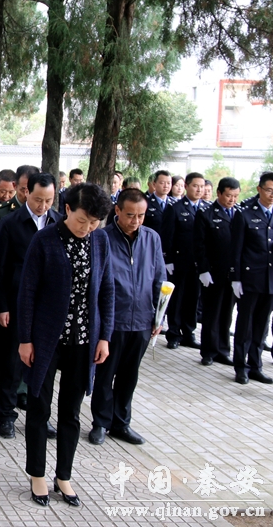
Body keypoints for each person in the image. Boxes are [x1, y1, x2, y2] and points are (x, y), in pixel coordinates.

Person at [18, 182, 114, 507]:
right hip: (46, 339)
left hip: (83, 339)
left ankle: (64, 475)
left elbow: (107, 289)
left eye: (94, 223)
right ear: (68, 209)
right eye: (82, 220)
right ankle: (37, 473)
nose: (87, 228)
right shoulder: (45, 240)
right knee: (39, 407)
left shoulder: (100, 240)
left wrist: (104, 337)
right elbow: (27, 292)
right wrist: (25, 340)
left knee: (71, 412)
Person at [89, 189, 165, 446]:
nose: (136, 221)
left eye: (141, 216)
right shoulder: (102, 237)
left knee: (129, 375)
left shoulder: (152, 239)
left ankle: (121, 423)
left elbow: (159, 278)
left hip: (142, 319)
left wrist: (159, 316)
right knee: (105, 373)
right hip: (112, 319)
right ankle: (100, 422)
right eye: (130, 215)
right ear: (117, 211)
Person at [0, 173, 61, 440]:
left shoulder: (58, 223)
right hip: (16, 303)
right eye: (38, 199)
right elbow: (0, 267)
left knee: (43, 364)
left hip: (47, 307)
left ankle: (39, 416)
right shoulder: (11, 223)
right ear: (26, 193)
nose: (43, 206)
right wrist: (2, 306)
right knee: (10, 361)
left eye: (49, 200)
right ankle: (7, 414)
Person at [229, 172, 273, 385]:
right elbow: (236, 249)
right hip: (251, 277)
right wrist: (236, 277)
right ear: (259, 189)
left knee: (262, 324)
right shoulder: (244, 214)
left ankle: (255, 366)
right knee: (245, 324)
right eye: (269, 190)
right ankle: (240, 367)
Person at [195, 177, 239, 366]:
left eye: (235, 196)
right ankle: (209, 351)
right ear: (219, 193)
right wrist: (203, 270)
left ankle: (223, 349)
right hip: (213, 272)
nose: (232, 200)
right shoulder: (206, 214)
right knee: (212, 313)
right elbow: (199, 245)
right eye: (228, 195)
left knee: (227, 314)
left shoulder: (238, 213)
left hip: (232, 274)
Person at [161, 172, 206, 349]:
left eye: (201, 187)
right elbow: (167, 236)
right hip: (179, 262)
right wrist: (168, 259)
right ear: (186, 186)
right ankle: (173, 333)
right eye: (195, 186)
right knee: (177, 299)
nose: (199, 190)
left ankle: (189, 333)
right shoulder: (175, 208)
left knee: (193, 299)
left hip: (197, 263)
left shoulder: (206, 209)